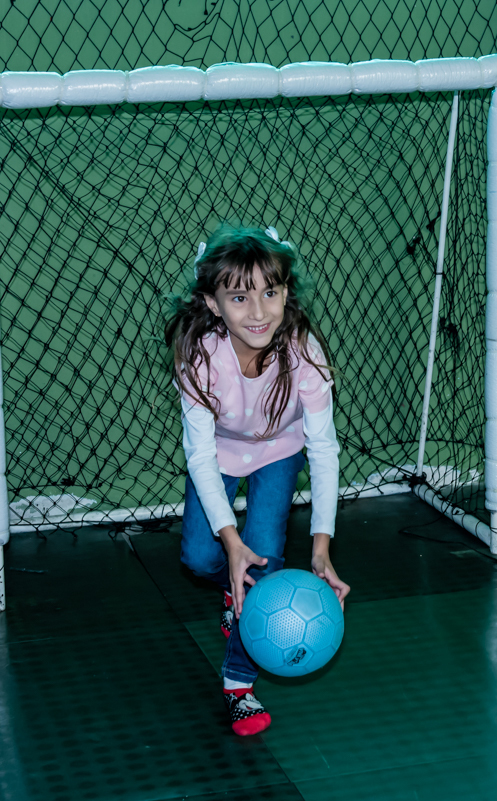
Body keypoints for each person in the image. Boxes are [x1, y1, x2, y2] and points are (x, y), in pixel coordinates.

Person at [165, 224, 350, 736]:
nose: (258, 311)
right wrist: (231, 543)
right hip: (219, 456)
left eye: (270, 292)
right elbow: (200, 455)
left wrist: (321, 549)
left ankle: (239, 685)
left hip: (278, 452)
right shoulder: (199, 358)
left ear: (286, 293)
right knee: (200, 559)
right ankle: (235, 591)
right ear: (213, 303)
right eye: (239, 297)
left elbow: (324, 451)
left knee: (264, 561)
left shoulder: (304, 353)